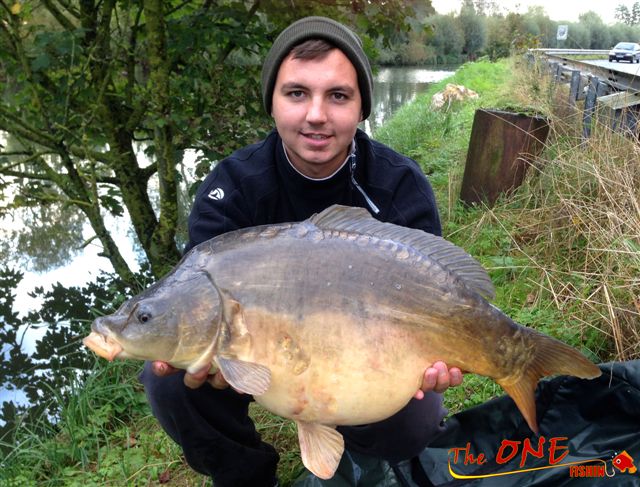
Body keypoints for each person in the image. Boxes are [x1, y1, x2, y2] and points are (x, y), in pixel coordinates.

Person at [140, 16, 463, 487]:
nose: (316, 114)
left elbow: (440, 292)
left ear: (361, 107)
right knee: (168, 379)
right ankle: (248, 475)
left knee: (413, 420)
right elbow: (193, 297)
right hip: (259, 354)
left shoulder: (399, 186)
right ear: (271, 102)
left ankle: (364, 455)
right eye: (296, 93)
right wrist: (212, 359)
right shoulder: (231, 188)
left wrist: (435, 364)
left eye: (338, 95)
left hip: (364, 355)